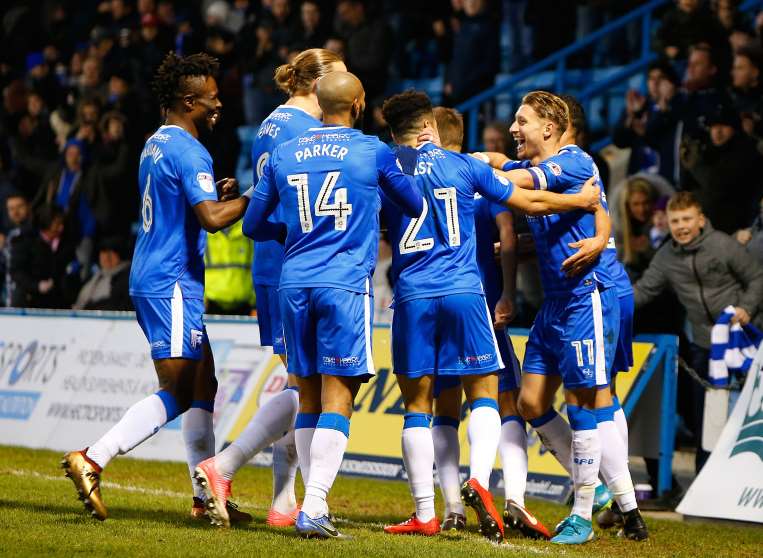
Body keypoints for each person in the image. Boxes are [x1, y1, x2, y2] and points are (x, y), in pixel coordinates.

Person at [379, 91, 601, 542]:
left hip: (413, 296)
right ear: (430, 129)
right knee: (488, 395)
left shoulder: (382, 168)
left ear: (393, 131)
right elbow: (529, 203)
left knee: (419, 407)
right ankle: (483, 479)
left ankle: (429, 511)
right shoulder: (465, 167)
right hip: (467, 293)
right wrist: (582, 204)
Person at [62, 52, 252, 522]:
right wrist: (254, 195)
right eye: (211, 98)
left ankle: (205, 499)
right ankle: (94, 457)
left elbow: (182, 206)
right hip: (171, 279)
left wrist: (216, 196)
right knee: (179, 389)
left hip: (154, 272)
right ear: (189, 101)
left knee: (203, 384)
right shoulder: (190, 149)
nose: (218, 105)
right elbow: (210, 221)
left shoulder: (155, 143)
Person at [238, 71, 424, 539]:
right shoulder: (371, 151)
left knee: (309, 396)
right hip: (343, 284)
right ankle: (315, 506)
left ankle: (309, 501)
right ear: (359, 104)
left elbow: (254, 225)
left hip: (293, 283)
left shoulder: (285, 152)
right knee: (340, 397)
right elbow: (415, 202)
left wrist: (294, 234)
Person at [195, 48, 345, 529]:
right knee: (310, 388)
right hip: (297, 264)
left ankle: (284, 501)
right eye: (340, 81)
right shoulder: (308, 132)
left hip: (277, 265)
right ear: (317, 83)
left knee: (306, 386)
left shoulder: (271, 125)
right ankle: (226, 465)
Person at [426, 106, 551, 540]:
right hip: (480, 302)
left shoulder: (419, 176)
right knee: (504, 401)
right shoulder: (478, 178)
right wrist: (508, 292)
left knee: (442, 409)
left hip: (430, 302)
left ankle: (452, 508)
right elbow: (509, 235)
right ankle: (513, 497)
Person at [634, 192, 763, 472]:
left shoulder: (723, 245)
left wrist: (746, 309)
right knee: (704, 416)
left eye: (687, 219)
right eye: (675, 221)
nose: (681, 226)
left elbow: (756, 278)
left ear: (701, 220)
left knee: (749, 411)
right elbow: (644, 290)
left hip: (746, 340)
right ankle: (705, 478)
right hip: (703, 345)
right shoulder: (666, 256)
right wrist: (608, 305)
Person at [72, 236, 132, 311]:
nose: (106, 257)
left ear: (120, 255)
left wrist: (89, 308)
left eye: (111, 253)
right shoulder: (95, 276)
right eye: (103, 252)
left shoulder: (126, 277)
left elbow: (116, 304)